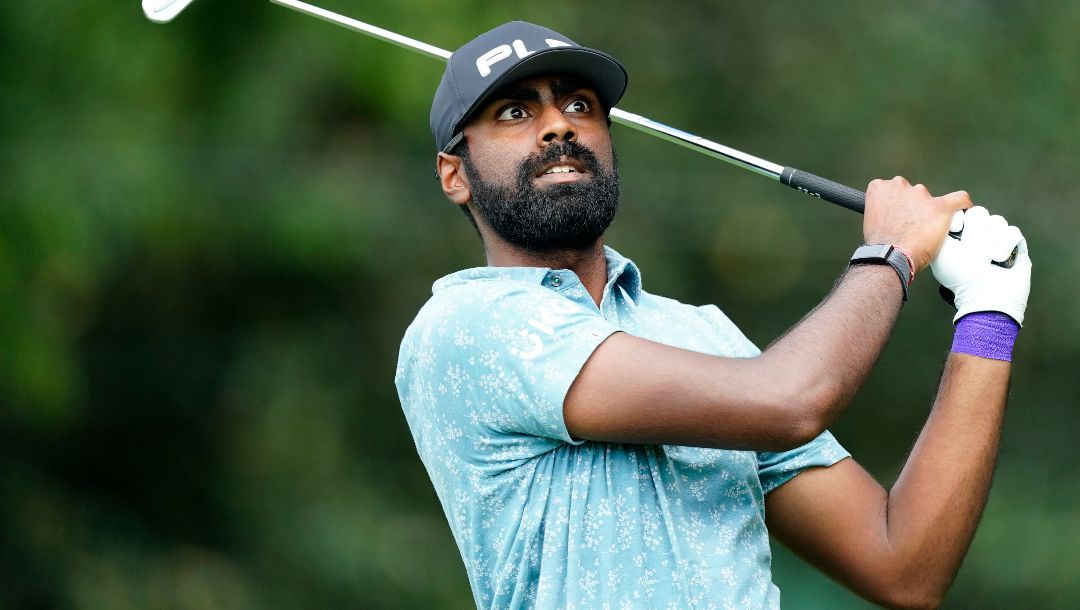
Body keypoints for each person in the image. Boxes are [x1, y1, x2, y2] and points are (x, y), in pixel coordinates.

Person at [395, 21, 1031, 610]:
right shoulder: (466, 325)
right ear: (454, 174)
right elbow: (789, 400)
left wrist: (988, 313)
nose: (559, 126)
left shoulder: (700, 334)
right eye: (515, 112)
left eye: (580, 106)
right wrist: (891, 252)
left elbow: (904, 565)